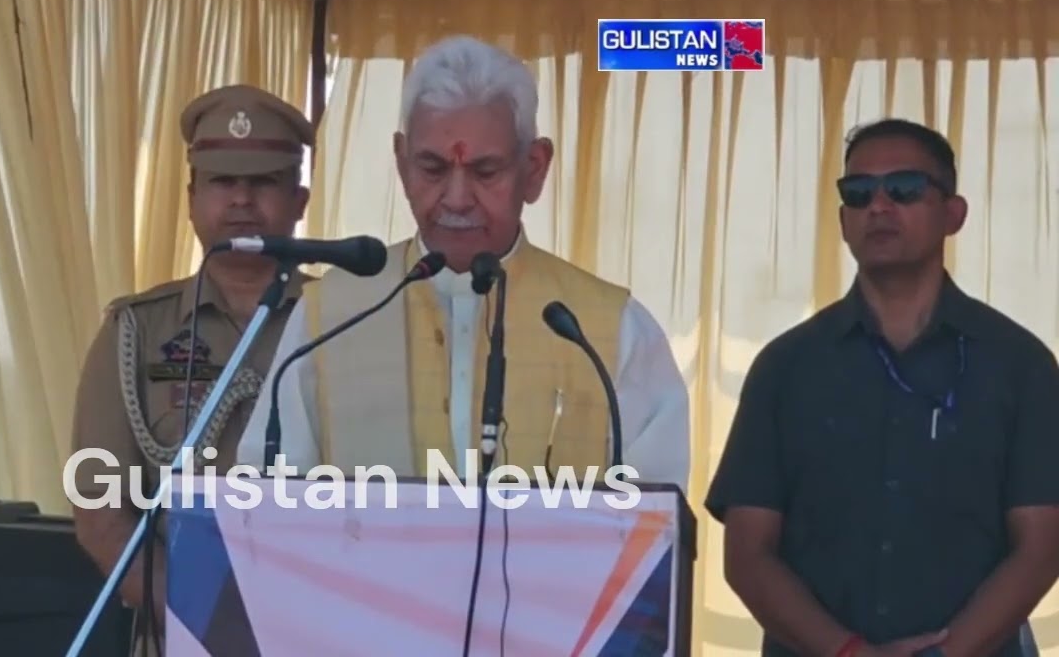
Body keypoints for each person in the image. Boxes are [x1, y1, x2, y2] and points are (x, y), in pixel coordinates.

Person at [237, 35, 690, 491]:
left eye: (485, 172)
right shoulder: (328, 316)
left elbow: (651, 527)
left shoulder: (607, 328)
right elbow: (267, 505)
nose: (456, 199)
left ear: (534, 169)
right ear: (401, 162)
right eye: (432, 169)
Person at [704, 118, 1059, 657]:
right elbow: (748, 556)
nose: (879, 206)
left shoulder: (1019, 364)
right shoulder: (786, 368)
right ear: (843, 220)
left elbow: (1041, 549)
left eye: (905, 189)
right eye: (859, 192)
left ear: (953, 214)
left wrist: (944, 654)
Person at [69, 84, 315, 656]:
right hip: (179, 633)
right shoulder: (136, 332)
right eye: (222, 182)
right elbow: (100, 512)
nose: (241, 201)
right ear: (190, 197)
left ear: (299, 200)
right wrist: (206, 616)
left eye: (262, 183)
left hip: (312, 631)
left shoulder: (345, 324)